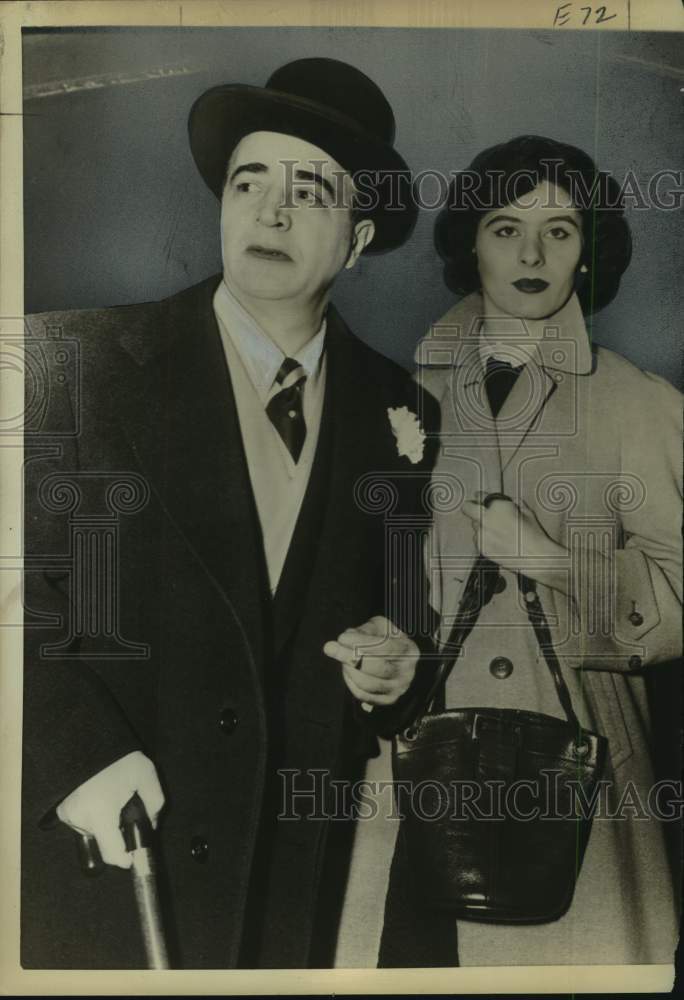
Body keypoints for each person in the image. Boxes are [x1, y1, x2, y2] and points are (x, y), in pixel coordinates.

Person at [21, 58, 439, 969]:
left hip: (283, 898)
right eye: (249, 181)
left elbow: (405, 618)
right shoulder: (73, 361)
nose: (270, 211)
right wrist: (72, 758)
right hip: (95, 876)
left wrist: (397, 665)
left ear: (361, 240)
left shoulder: (401, 412)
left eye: (310, 190)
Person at [335, 134, 682, 967]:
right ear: (470, 244)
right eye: (504, 226)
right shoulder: (394, 393)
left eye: (560, 230)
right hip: (411, 784)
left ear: (588, 253)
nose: (532, 252)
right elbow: (356, 581)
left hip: (575, 803)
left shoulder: (639, 403)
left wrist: (552, 560)